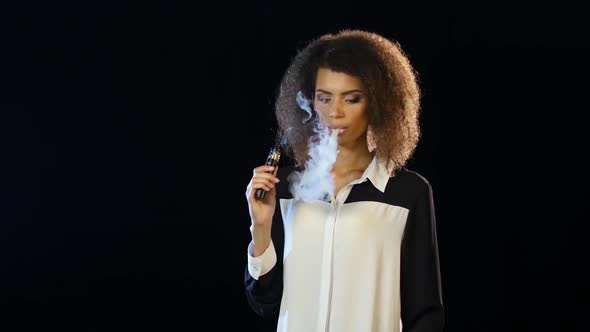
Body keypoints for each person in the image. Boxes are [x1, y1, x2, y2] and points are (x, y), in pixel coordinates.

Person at [244, 29, 444, 332]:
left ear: (377, 104)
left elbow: (425, 313)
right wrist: (260, 227)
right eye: (324, 98)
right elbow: (265, 302)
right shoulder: (285, 189)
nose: (335, 112)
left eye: (351, 99)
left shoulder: (407, 192)